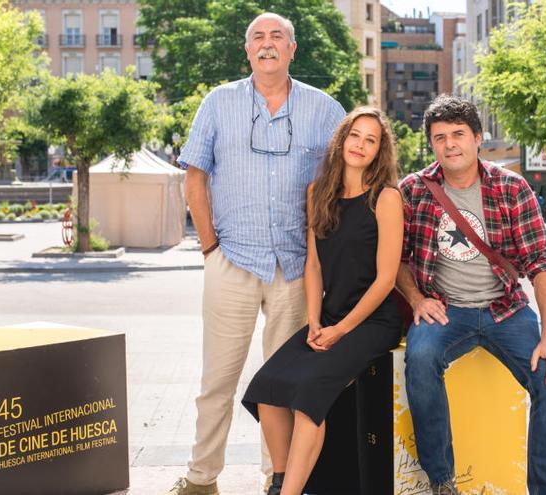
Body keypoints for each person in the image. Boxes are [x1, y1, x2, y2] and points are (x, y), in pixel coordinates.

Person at [166, 12, 346, 495]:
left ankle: (278, 478)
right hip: (233, 261)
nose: (267, 45)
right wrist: (209, 248)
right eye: (258, 38)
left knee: (285, 383)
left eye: (277, 37)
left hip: (296, 268)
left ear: (292, 49)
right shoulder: (218, 103)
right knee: (217, 381)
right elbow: (195, 176)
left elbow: (346, 182)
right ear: (247, 50)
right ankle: (202, 478)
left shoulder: (327, 110)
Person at [395, 96, 546, 495]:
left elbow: (541, 263)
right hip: (445, 310)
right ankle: (442, 480)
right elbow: (397, 259)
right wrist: (416, 298)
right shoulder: (414, 190)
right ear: (432, 144)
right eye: (440, 137)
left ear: (478, 138)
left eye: (458, 134)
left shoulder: (511, 188)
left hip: (505, 310)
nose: (450, 144)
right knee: (420, 360)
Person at [242, 107, 404, 495]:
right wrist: (315, 321)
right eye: (355, 135)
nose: (360, 145)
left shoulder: (386, 199)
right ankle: (281, 480)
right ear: (342, 139)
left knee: (309, 398)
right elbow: (313, 265)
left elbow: (385, 280)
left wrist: (341, 330)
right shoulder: (319, 193)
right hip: (329, 317)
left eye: (371, 140)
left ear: (380, 151)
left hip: (373, 322)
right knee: (266, 389)